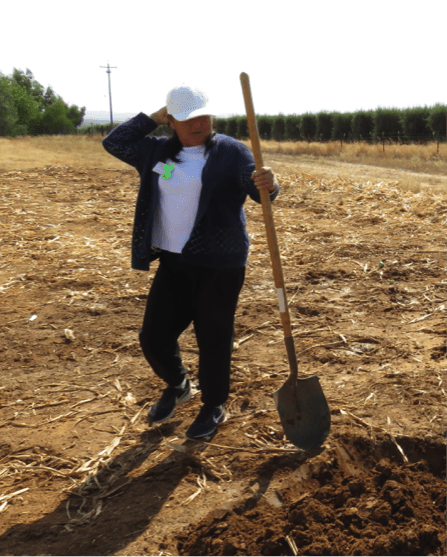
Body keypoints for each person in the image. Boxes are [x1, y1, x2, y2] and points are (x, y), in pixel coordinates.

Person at [102, 84, 280, 440]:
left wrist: (268, 183)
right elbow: (115, 142)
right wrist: (154, 117)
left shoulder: (231, 152)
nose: (198, 124)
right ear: (170, 121)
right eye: (186, 118)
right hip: (174, 261)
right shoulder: (156, 153)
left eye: (203, 115)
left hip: (220, 264)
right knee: (154, 335)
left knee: (213, 337)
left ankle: (214, 404)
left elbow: (259, 191)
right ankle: (178, 383)